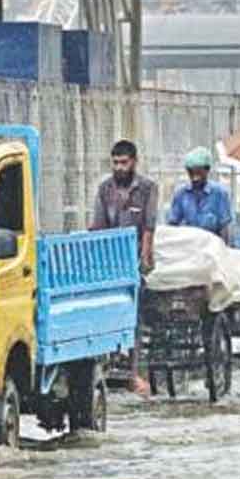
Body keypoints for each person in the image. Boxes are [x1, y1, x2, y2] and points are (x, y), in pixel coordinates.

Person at [92, 138, 158, 393]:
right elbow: (99, 226)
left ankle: (134, 372)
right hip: (110, 261)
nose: (119, 167)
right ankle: (105, 368)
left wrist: (144, 258)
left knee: (134, 316)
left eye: (124, 162)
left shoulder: (147, 188)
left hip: (134, 260)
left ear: (134, 162)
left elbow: (149, 227)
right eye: (116, 163)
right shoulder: (105, 189)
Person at [167, 146, 234, 242]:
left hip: (212, 246)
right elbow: (173, 225)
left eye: (198, 173)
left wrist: (225, 248)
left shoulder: (219, 194)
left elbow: (225, 227)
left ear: (207, 170)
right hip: (188, 244)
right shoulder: (180, 194)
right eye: (191, 173)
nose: (195, 178)